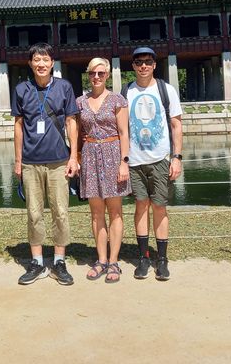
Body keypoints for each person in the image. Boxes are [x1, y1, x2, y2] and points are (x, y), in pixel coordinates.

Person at [13, 42, 80, 285]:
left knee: (61, 212)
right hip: (31, 161)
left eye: (46, 60)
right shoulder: (22, 89)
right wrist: (18, 160)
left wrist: (74, 156)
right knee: (33, 213)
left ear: (53, 63)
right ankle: (37, 262)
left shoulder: (64, 87)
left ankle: (60, 260)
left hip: (59, 161)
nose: (41, 64)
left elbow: (72, 122)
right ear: (30, 63)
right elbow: (19, 125)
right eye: (36, 60)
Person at [123, 46, 182, 281]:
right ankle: (143, 257)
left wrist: (176, 158)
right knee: (141, 207)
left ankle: (162, 259)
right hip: (135, 161)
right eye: (138, 62)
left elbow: (176, 125)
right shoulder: (126, 92)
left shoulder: (166, 90)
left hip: (160, 159)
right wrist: (123, 160)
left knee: (160, 207)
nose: (143, 66)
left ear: (155, 64)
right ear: (133, 66)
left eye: (148, 61)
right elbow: (121, 129)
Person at [76, 57, 130, 283]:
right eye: (92, 73)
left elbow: (124, 132)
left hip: (112, 153)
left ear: (107, 74)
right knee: (96, 213)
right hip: (89, 155)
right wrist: (76, 157)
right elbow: (77, 133)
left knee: (115, 211)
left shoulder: (118, 100)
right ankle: (101, 259)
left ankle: (114, 261)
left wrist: (124, 162)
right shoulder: (80, 102)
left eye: (100, 73)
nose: (96, 77)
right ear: (87, 75)